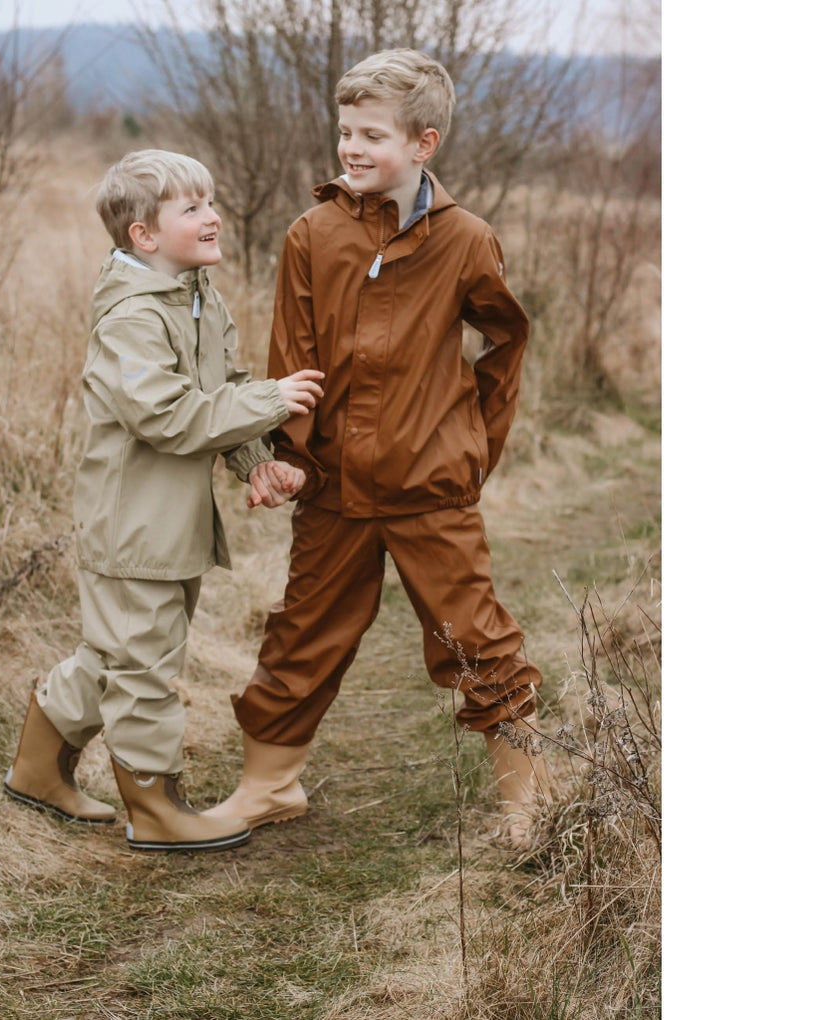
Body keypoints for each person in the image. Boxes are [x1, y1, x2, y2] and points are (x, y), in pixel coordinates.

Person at [204, 50, 551, 850]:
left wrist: (472, 449)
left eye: (371, 135)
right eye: (345, 132)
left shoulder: (466, 240)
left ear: (424, 143)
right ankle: (267, 788)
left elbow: (505, 344)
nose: (351, 148)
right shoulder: (312, 234)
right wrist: (288, 456)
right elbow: (292, 358)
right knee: (301, 635)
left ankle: (527, 805)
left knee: (478, 639)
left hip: (431, 489)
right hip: (334, 488)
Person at [4, 149, 325, 853]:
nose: (213, 217)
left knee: (119, 651)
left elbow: (219, 387)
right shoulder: (132, 318)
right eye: (192, 207)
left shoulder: (198, 297)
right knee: (143, 665)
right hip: (133, 524)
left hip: (168, 522)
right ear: (143, 235)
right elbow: (166, 415)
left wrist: (255, 463)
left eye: (211, 202)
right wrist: (272, 400)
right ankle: (155, 807)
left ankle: (36, 770)